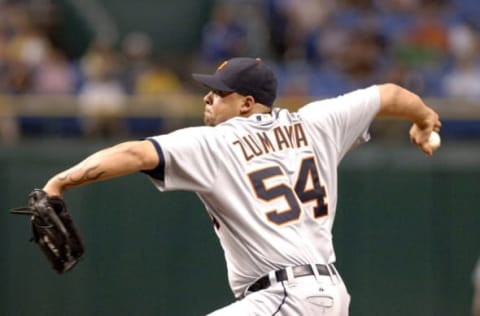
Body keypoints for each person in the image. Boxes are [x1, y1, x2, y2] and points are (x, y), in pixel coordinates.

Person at [41, 57, 441, 315]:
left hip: (286, 298)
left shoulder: (215, 142)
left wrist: (59, 182)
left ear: (247, 103)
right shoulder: (317, 122)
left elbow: (134, 154)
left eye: (219, 92)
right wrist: (424, 122)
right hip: (325, 293)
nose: (208, 100)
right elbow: (389, 95)